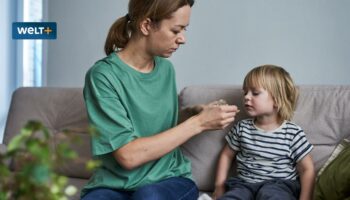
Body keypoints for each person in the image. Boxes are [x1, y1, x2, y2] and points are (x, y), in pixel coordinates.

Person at [81, 0, 239, 199]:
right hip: (113, 183)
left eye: (184, 29)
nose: (183, 39)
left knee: (148, 197)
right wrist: (199, 123)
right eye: (176, 30)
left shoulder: (165, 69)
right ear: (146, 26)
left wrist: (194, 113)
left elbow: (158, 124)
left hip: (169, 178)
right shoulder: (103, 76)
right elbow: (128, 156)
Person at [213, 65, 315, 200]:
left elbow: (307, 169)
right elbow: (226, 155)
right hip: (244, 184)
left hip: (278, 186)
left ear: (277, 100)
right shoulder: (242, 128)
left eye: (255, 93)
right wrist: (219, 187)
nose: (247, 97)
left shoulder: (292, 133)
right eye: (245, 92)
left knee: (273, 195)